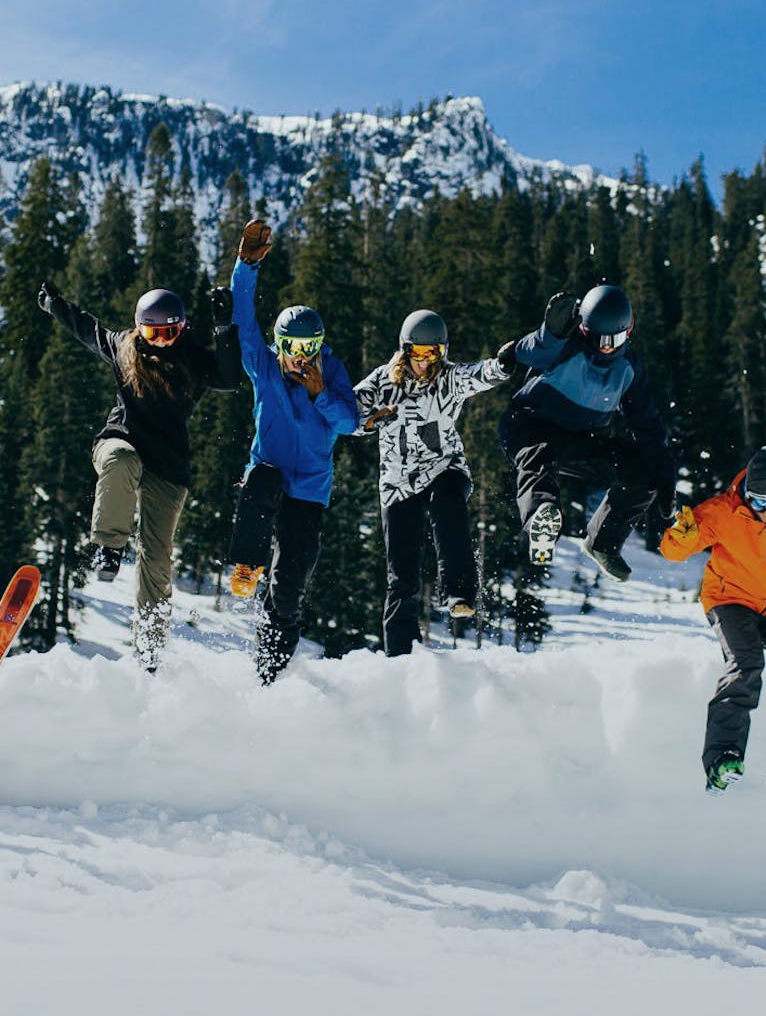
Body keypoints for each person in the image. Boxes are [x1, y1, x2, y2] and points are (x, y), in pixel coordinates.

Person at [37, 280, 241, 671]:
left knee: (157, 558)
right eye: (152, 332)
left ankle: (149, 650)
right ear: (138, 328)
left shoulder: (193, 360)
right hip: (121, 441)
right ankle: (108, 548)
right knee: (120, 461)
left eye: (169, 332)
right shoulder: (123, 348)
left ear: (181, 329)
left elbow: (230, 379)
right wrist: (54, 304)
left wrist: (223, 327)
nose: (161, 341)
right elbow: (86, 327)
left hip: (168, 464)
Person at [227, 218, 359, 684]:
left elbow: (350, 422)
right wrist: (246, 267)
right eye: (293, 347)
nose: (301, 356)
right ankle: (246, 561)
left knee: (289, 585)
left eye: (311, 347)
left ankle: (271, 669)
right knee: (261, 480)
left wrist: (322, 391)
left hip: (310, 492)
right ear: (279, 346)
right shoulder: (263, 366)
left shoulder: (332, 372)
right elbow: (242, 318)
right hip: (269, 476)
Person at [354, 309, 515, 657]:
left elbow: (480, 374)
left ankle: (459, 592)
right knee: (402, 576)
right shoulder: (383, 382)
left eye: (433, 354)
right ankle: (401, 658)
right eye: (418, 353)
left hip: (444, 466)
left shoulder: (449, 378)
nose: (425, 362)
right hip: (398, 483)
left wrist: (503, 363)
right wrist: (369, 423)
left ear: (443, 351)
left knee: (449, 508)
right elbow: (347, 415)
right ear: (404, 349)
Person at [498, 284, 675, 580]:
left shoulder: (628, 368)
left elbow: (647, 424)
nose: (606, 346)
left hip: (581, 440)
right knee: (537, 458)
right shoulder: (564, 344)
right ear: (584, 329)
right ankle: (542, 517)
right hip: (530, 428)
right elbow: (531, 351)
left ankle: (602, 544)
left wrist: (665, 473)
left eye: (614, 339)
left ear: (628, 331)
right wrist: (549, 333)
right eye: (598, 338)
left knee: (642, 471)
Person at [660, 446, 766, 792]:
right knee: (746, 665)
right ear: (745, 494)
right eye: (758, 502)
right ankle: (723, 757)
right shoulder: (723, 511)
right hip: (730, 600)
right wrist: (683, 534)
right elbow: (672, 550)